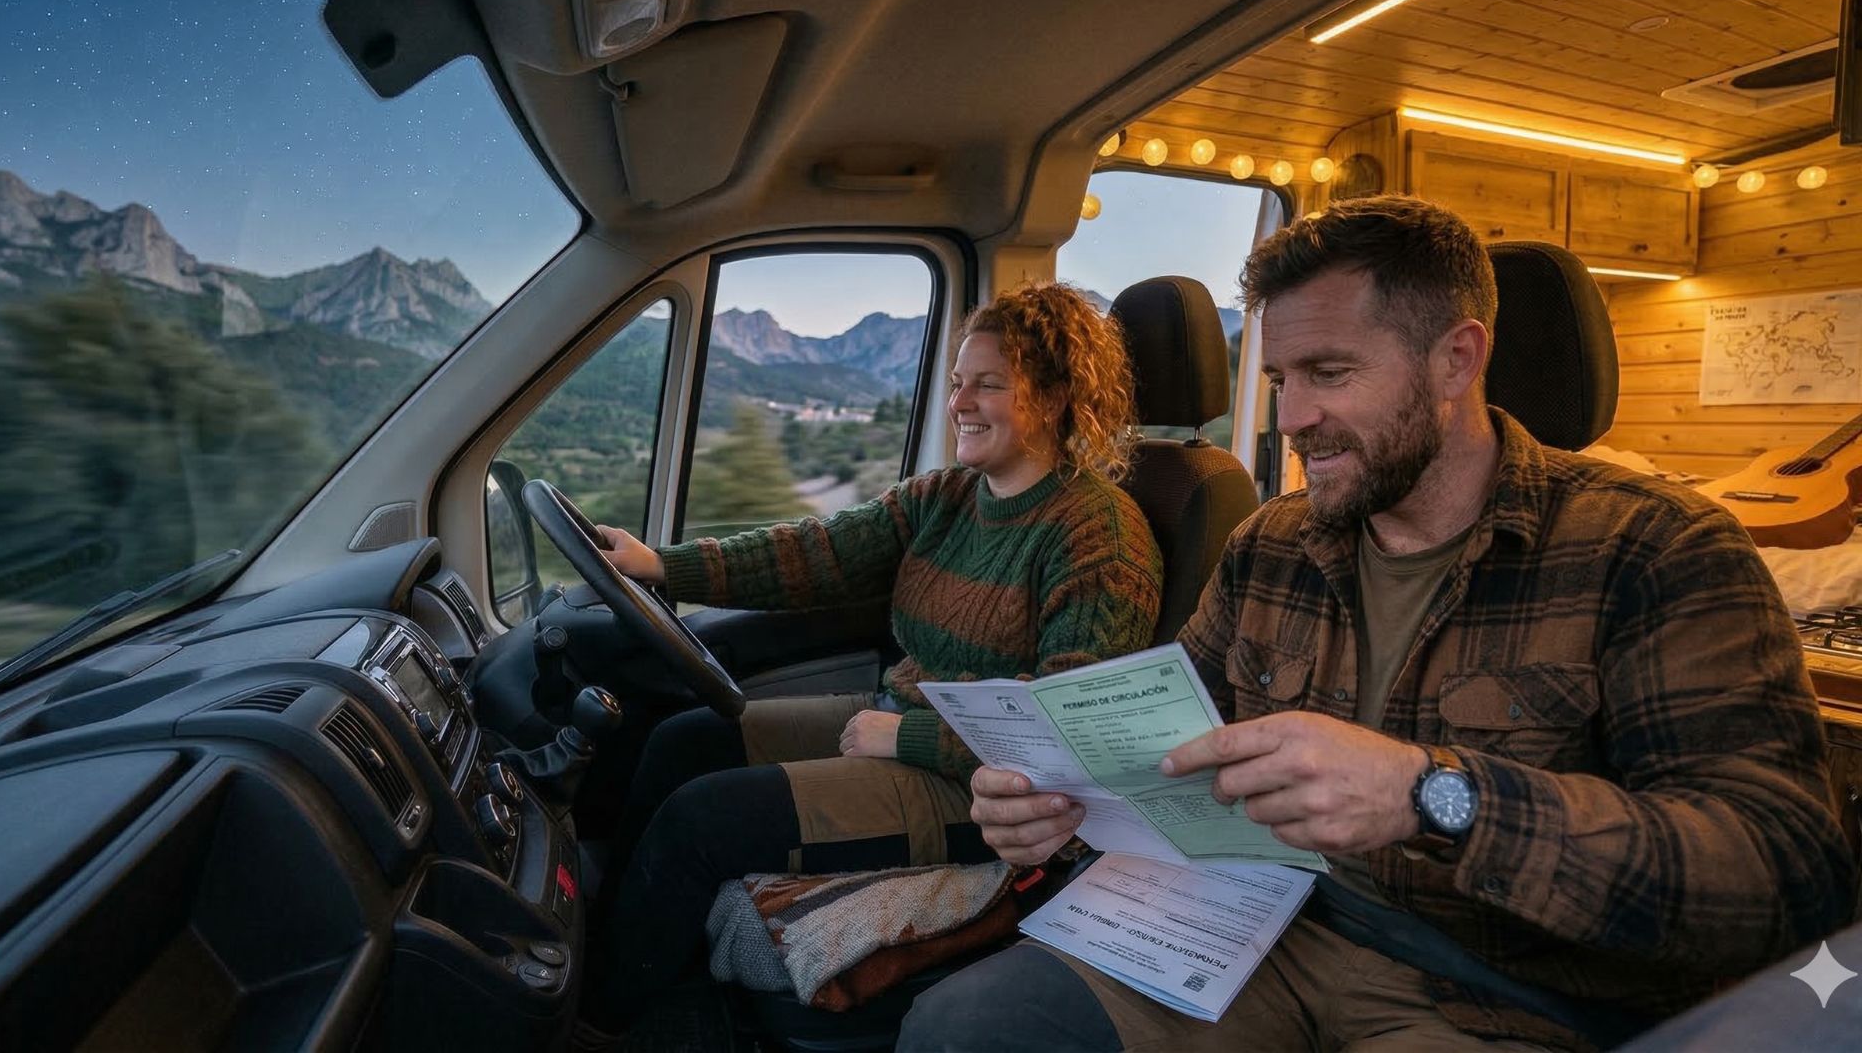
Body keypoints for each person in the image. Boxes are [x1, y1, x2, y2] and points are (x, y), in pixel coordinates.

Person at [900, 196, 1858, 1052]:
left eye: (1329, 373)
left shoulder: (1657, 549)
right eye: (1282, 379)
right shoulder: (1272, 543)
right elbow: (1172, 743)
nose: (1292, 418)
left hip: (1502, 993)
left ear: (1456, 359)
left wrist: (1433, 795)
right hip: (1264, 928)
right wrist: (1058, 800)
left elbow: (1785, 874)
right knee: (967, 1024)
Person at [579, 281, 1164, 1035]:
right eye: (957, 382)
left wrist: (905, 737)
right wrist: (662, 564)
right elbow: (815, 552)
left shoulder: (1099, 536)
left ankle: (605, 1022)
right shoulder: (948, 496)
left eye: (988, 385)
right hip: (897, 721)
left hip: (980, 792)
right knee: (682, 741)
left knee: (700, 819)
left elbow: (1065, 735)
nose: (960, 402)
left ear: (1053, 398)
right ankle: (607, 953)